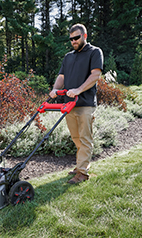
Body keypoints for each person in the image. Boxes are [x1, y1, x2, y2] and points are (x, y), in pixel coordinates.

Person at [49, 23, 103, 184]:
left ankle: (82, 172)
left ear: (84, 36)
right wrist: (55, 89)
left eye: (76, 38)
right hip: (69, 104)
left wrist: (79, 90)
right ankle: (81, 164)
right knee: (76, 137)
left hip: (85, 103)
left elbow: (95, 75)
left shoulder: (95, 52)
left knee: (85, 138)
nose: (73, 41)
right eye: (71, 39)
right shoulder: (68, 56)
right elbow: (61, 77)